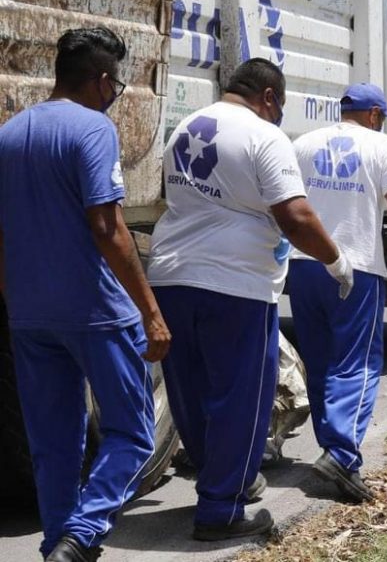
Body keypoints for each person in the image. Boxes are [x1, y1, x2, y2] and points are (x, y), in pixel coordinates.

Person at [146, 58, 352, 540]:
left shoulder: (186, 128)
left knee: (191, 393)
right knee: (240, 398)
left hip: (171, 276)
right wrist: (335, 261)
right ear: (268, 97)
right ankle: (220, 511)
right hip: (235, 285)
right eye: (277, 107)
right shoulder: (264, 135)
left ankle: (222, 479)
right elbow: (296, 217)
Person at [0, 27, 171, 562]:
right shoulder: (94, 130)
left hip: (29, 314)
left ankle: (57, 547)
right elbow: (107, 225)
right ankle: (81, 533)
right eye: (116, 86)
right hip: (95, 312)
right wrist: (150, 310)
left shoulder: (9, 133)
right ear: (101, 81)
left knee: (54, 444)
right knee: (135, 432)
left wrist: (14, 297)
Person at [290, 83, 387, 502]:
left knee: (321, 360)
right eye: (381, 117)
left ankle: (334, 452)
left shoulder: (303, 143)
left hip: (304, 264)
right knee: (359, 363)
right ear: (373, 115)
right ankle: (342, 453)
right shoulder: (381, 146)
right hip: (357, 266)